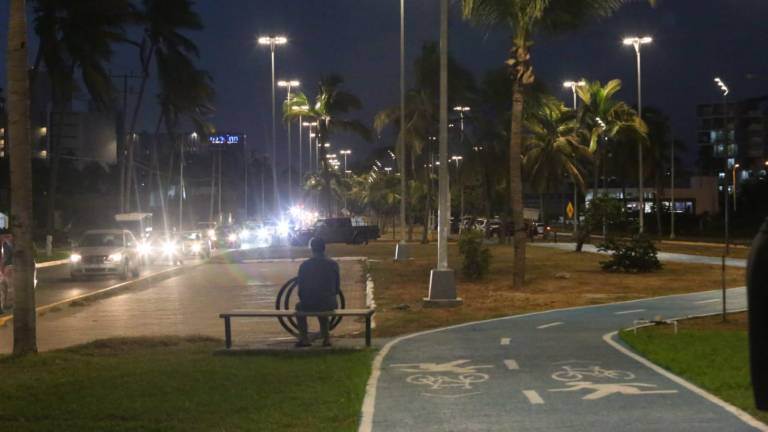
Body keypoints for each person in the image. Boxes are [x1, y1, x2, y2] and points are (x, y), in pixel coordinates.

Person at [295, 237, 340, 347]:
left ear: (312, 249)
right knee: (323, 303)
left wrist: (306, 299)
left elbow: (300, 289)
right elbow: (337, 288)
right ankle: (326, 338)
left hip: (310, 302)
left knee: (299, 307)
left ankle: (304, 339)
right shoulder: (333, 264)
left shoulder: (305, 265)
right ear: (324, 248)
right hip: (329, 303)